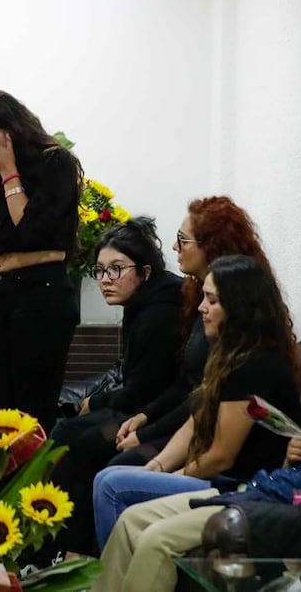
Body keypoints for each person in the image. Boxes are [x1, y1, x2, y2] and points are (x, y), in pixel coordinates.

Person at [92, 254, 301, 551]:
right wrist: (158, 465)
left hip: (239, 484)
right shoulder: (229, 354)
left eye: (212, 301)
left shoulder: (255, 365)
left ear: (240, 307)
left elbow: (222, 457)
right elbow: (195, 420)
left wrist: (178, 475)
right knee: (110, 476)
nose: (202, 308)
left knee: (112, 486)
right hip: (222, 476)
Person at [93, 394, 301, 592]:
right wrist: (293, 458)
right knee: (131, 519)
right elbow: (288, 477)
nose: (202, 309)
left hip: (259, 507)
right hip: (249, 490)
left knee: (155, 538)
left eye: (212, 307)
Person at [47, 217, 182, 556]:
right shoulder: (144, 303)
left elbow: (143, 390)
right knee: (65, 432)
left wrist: (97, 402)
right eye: (101, 270)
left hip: (157, 421)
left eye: (116, 269)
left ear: (146, 272)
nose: (106, 280)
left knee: (78, 441)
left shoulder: (159, 314)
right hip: (142, 410)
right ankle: (60, 551)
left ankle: (73, 555)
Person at [111, 197, 278, 465]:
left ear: (212, 246)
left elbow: (206, 412)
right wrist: (146, 416)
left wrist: (147, 435)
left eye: (183, 239)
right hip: (191, 425)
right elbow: (190, 386)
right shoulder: (201, 300)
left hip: (215, 443)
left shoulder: (238, 328)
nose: (175, 246)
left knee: (113, 463)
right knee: (92, 446)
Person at [0, 89, 83, 432]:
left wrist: (10, 171)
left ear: (9, 129)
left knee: (31, 406)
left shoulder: (55, 162)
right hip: (1, 295)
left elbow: (31, 231)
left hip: (41, 294)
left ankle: (33, 481)